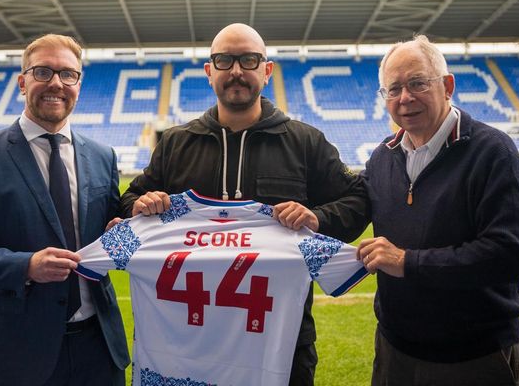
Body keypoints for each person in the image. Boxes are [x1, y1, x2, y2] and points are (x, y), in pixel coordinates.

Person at [117, 23, 370, 386]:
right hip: (189, 342)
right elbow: (128, 201)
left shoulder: (304, 142)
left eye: (248, 60)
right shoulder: (175, 144)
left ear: (266, 71)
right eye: (225, 60)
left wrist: (317, 217)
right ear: (209, 72)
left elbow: (358, 199)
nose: (236, 70)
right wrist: (141, 205)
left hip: (280, 342)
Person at [0, 34, 130, 385]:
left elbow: (108, 229)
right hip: (20, 351)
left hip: (100, 348)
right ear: (22, 83)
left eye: (67, 74)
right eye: (43, 72)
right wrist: (25, 266)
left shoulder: (103, 156)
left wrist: (121, 230)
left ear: (79, 84)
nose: (56, 83)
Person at [359, 35, 519, 386]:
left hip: (474, 357)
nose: (405, 97)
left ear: (447, 86)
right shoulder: (382, 157)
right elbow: (351, 207)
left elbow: (511, 255)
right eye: (393, 90)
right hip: (396, 351)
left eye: (417, 83)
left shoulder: (492, 152)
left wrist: (407, 262)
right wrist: (313, 217)